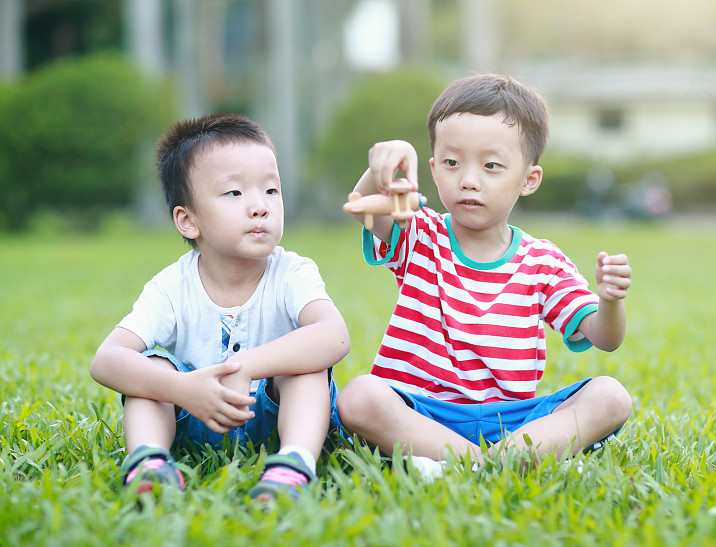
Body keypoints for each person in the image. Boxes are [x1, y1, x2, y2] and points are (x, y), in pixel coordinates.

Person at [337, 74, 632, 476]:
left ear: (528, 180)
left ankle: (472, 462)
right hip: (418, 413)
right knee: (358, 397)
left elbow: (606, 338)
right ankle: (490, 465)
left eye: (491, 166)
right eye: (452, 163)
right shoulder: (419, 233)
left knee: (611, 396)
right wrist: (384, 166)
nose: (469, 180)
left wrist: (611, 301)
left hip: (512, 421)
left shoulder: (542, 261)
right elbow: (367, 209)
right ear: (434, 170)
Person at [91, 113, 350, 501]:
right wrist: (180, 387)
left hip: (276, 416)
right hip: (192, 413)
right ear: (188, 220)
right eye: (234, 193)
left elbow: (334, 337)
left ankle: (293, 465)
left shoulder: (292, 273)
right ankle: (149, 463)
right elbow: (107, 360)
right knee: (152, 366)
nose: (259, 207)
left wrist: (248, 367)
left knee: (306, 366)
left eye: (271, 191)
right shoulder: (171, 287)